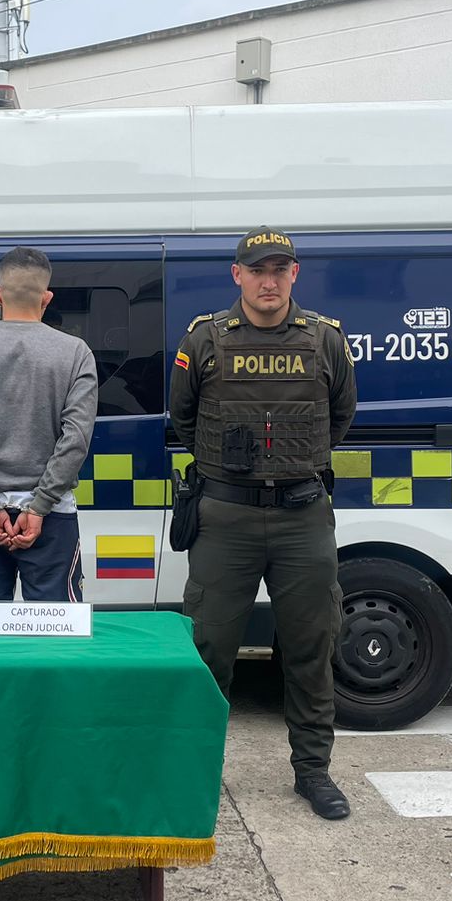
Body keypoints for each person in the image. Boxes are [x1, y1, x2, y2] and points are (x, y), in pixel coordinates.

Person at [170, 231, 358, 820]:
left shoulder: (325, 340)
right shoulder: (204, 340)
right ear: (237, 276)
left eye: (279, 269)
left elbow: (340, 417)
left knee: (311, 647)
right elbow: (183, 417)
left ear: (295, 274)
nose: (268, 280)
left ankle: (313, 772)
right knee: (207, 650)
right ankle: (194, 774)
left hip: (303, 517)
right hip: (226, 517)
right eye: (258, 270)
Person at [0, 247, 98, 612]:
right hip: (53, 516)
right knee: (57, 633)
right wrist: (39, 508)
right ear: (47, 297)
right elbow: (75, 440)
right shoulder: (76, 353)